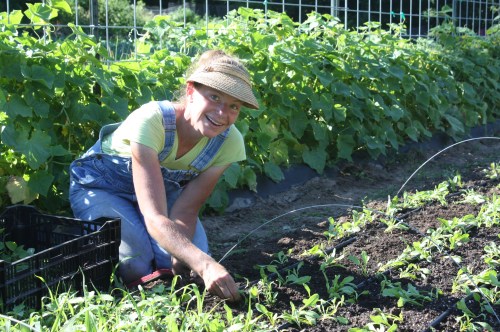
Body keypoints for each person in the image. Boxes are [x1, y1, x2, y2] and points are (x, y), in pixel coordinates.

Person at [69, 50, 259, 302]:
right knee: (135, 265)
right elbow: (154, 216)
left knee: (179, 261)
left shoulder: (229, 142)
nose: (223, 113)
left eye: (234, 106)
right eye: (214, 97)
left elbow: (187, 211)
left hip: (160, 194)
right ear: (191, 91)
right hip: (103, 187)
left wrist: (183, 260)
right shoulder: (153, 121)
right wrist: (204, 264)